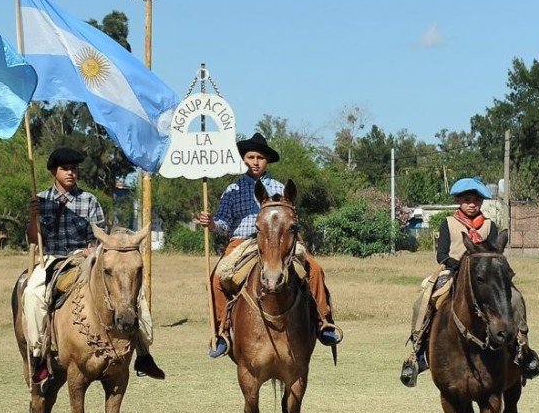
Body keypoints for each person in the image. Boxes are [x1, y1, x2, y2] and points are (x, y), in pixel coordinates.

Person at [22, 147, 165, 387]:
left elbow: (100, 237)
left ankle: (143, 353)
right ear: (53, 172)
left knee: (131, 294)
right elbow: (34, 240)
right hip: (53, 259)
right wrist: (33, 218)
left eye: (74, 169)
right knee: (32, 295)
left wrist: (92, 248)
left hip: (84, 257)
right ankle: (39, 356)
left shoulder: (89, 200)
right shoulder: (41, 200)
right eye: (65, 169)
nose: (71, 173)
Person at [195, 132, 342, 359]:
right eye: (250, 157)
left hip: (278, 242)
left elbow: (290, 220)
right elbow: (224, 222)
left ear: (267, 161)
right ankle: (222, 332)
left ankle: (324, 322)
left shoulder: (280, 188)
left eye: (260, 158)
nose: (255, 162)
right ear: (244, 159)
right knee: (215, 279)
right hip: (242, 243)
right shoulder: (233, 190)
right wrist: (212, 223)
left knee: (315, 270)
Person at [398, 177, 539, 387]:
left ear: (481, 202)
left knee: (515, 298)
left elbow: (495, 253)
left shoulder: (488, 225)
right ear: (459, 200)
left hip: (487, 278)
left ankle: (523, 349)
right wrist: (455, 265)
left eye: (476, 200)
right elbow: (442, 254)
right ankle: (418, 354)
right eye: (467, 199)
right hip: (454, 272)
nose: (472, 204)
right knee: (422, 301)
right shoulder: (448, 223)